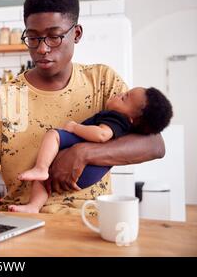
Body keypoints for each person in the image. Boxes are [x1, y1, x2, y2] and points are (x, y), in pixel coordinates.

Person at [0, 0, 167, 215]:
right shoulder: (2, 98)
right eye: (33, 38)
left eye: (54, 37)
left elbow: (155, 145)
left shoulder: (103, 81)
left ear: (76, 34)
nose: (42, 49)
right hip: (21, 219)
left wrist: (83, 153)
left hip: (91, 222)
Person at [9, 87, 173, 213]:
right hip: (90, 175)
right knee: (43, 182)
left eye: (123, 97)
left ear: (131, 118)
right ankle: (34, 206)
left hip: (86, 166)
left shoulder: (116, 118)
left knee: (54, 135)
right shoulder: (126, 120)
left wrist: (74, 128)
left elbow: (102, 134)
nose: (119, 93)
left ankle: (41, 167)